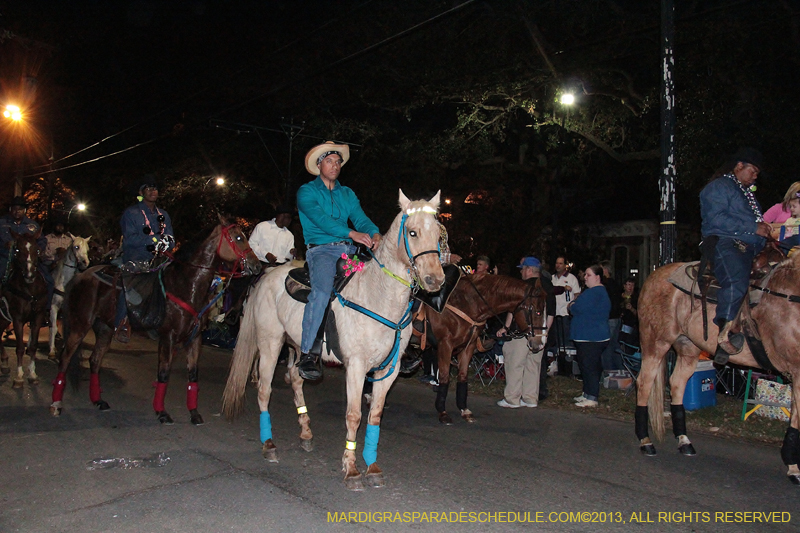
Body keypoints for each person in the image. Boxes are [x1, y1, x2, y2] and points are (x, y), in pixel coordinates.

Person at [295, 141, 381, 380]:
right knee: (321, 292)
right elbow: (321, 220)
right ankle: (309, 354)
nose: (334, 166)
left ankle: (389, 347)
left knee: (381, 280)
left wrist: (374, 234)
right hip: (321, 251)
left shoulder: (347, 193)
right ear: (319, 164)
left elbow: (361, 219)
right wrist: (351, 233)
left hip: (349, 253)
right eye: (329, 161)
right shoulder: (307, 192)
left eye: (338, 162)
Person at [700, 147, 771, 364]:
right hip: (726, 242)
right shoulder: (718, 187)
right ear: (739, 166)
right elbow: (716, 219)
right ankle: (725, 332)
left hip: (752, 246)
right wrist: (753, 227)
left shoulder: (747, 193)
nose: (755, 176)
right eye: (753, 171)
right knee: (737, 279)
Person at [114, 176, 175, 342]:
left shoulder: (164, 214)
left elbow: (170, 237)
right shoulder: (131, 213)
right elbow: (130, 239)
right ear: (141, 192)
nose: (153, 191)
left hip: (161, 260)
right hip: (137, 257)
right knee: (131, 285)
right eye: (148, 188)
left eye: (155, 188)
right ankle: (121, 323)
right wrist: (154, 240)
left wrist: (167, 243)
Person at [495, 256, 555, 408]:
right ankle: (530, 398)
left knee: (515, 364)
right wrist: (544, 333)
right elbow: (551, 313)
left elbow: (513, 310)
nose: (521, 272)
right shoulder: (548, 286)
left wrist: (506, 327)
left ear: (529, 270)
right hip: (539, 334)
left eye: (522, 269)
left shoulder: (521, 286)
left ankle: (512, 399)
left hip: (520, 332)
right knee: (533, 366)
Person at [0, 196, 54, 315]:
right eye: (14, 208)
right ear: (10, 209)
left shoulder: (33, 225)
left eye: (20, 209)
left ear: (24, 210)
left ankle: (46, 310)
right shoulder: (2, 223)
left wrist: (39, 249)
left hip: (28, 259)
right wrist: (5, 244)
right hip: (7, 258)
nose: (17, 211)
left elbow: (42, 240)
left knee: (49, 280)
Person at [568, 264, 611, 408]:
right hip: (588, 336)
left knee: (590, 367)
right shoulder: (593, 292)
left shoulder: (595, 292)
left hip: (591, 337)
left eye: (588, 275)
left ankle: (592, 397)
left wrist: (571, 305)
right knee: (585, 366)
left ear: (597, 277)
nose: (585, 278)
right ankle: (587, 393)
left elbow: (577, 307)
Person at [549, 255, 581, 380]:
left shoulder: (571, 278)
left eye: (560, 263)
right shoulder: (552, 278)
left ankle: (568, 367)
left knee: (566, 341)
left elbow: (577, 294)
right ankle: (556, 364)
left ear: (565, 265)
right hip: (554, 314)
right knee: (556, 341)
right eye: (557, 263)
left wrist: (572, 305)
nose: (558, 266)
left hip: (566, 314)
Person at [599, 260, 622, 370]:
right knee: (614, 345)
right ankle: (619, 369)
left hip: (609, 318)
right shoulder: (615, 283)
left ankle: (608, 371)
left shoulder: (605, 285)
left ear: (605, 270)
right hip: (616, 317)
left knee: (606, 345)